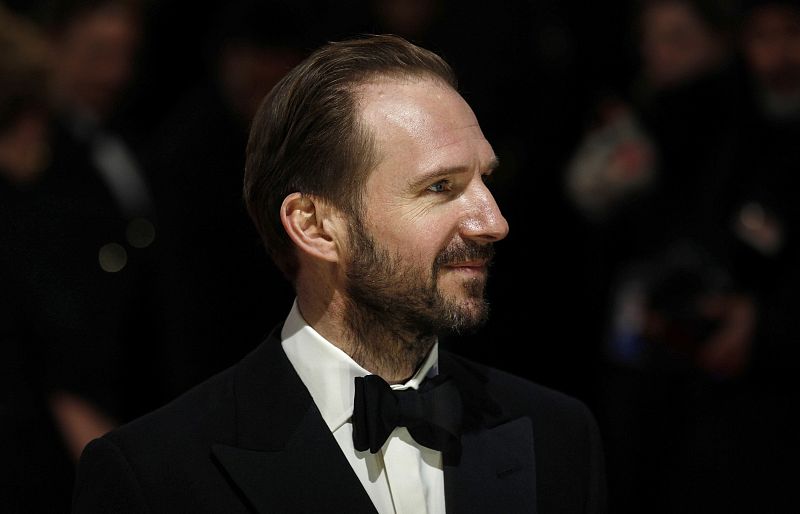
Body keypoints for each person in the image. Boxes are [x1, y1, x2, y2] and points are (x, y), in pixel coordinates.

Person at [73, 35, 606, 514]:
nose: (494, 222)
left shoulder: (556, 435)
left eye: (486, 180)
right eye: (440, 187)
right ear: (314, 225)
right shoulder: (155, 476)